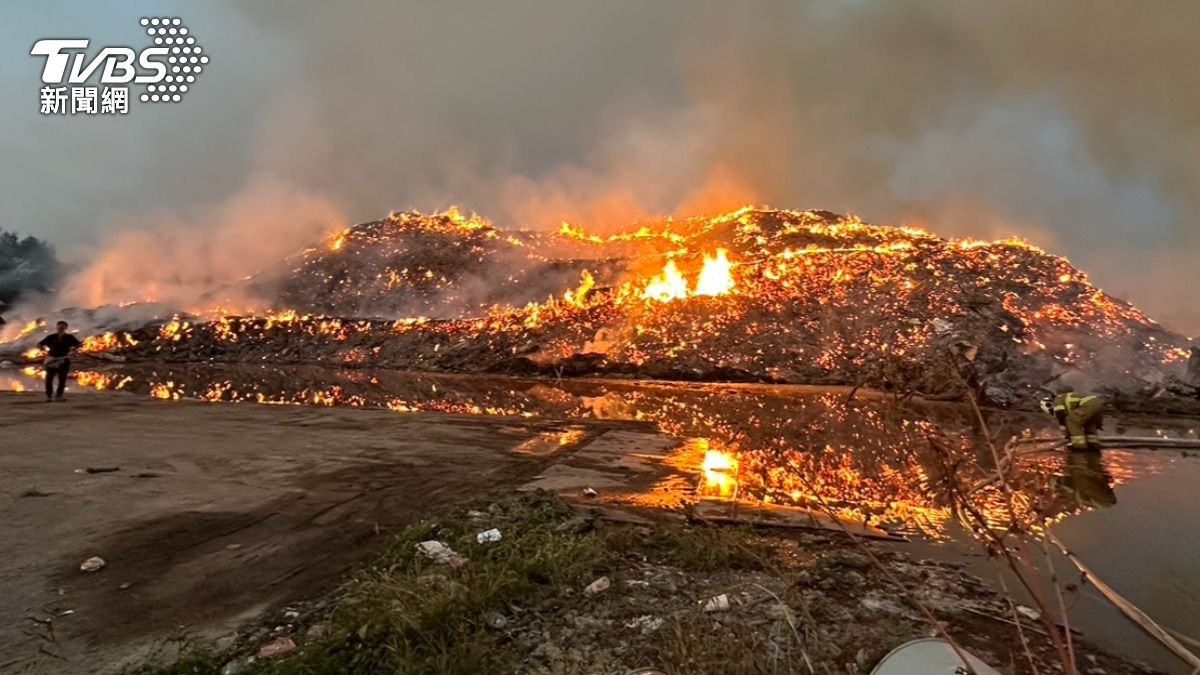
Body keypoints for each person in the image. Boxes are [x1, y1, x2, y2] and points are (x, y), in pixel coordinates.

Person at [1039, 390, 1104, 451]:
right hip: (1098, 405)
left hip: (1088, 405)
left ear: (1049, 405)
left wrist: (1066, 433)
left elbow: (1061, 416)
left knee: (1071, 421)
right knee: (1089, 426)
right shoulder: (1064, 398)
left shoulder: (1057, 400)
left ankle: (1079, 447)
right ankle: (1093, 446)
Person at [36, 321, 81, 402]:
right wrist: (43, 351)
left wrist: (74, 351)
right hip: (52, 360)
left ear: (66, 328)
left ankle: (59, 395)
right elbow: (39, 344)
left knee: (62, 379)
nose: (60, 328)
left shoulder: (69, 337)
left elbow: (79, 344)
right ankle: (49, 396)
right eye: (59, 327)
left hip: (64, 359)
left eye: (62, 327)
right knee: (49, 379)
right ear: (56, 327)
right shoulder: (51, 337)